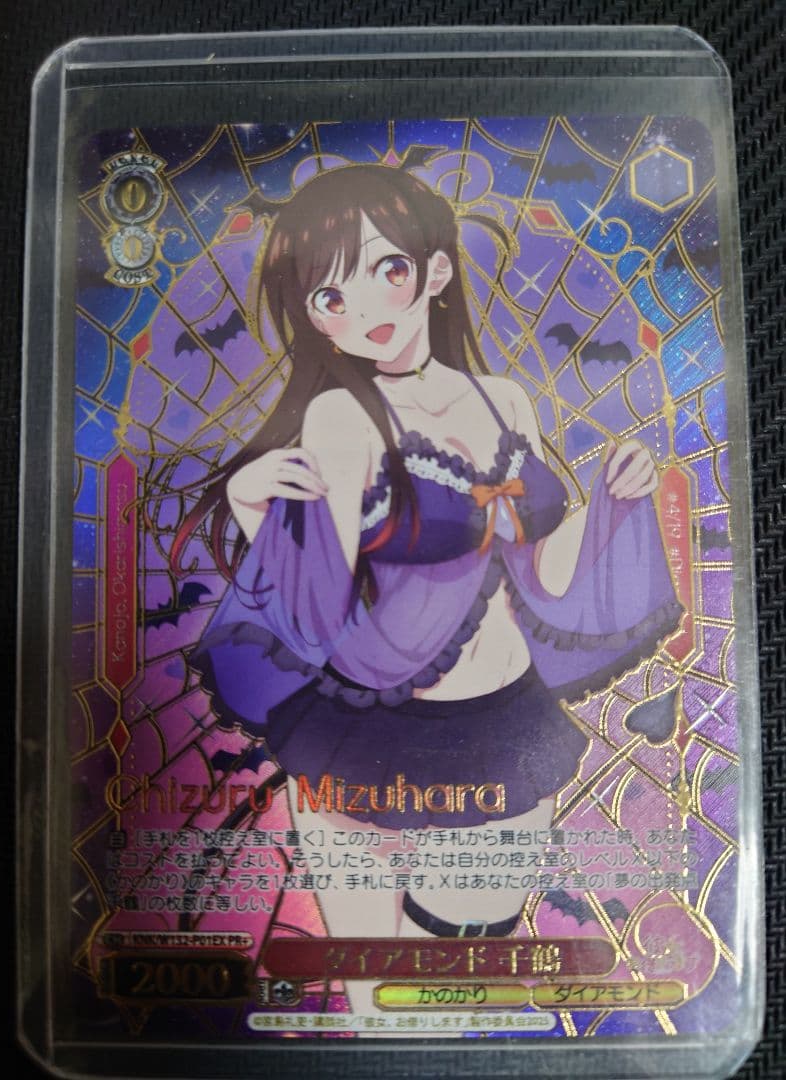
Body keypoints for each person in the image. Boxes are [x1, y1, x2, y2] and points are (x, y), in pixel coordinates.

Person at [172, 163, 682, 1020]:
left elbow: (538, 571)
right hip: (365, 728)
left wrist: (612, 503)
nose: (363, 307)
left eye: (387, 268)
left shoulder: (507, 401)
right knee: (378, 1000)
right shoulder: (340, 417)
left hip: (503, 721)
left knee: (458, 973)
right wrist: (251, 506)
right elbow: (314, 600)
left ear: (436, 271)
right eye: (329, 295)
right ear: (313, 315)